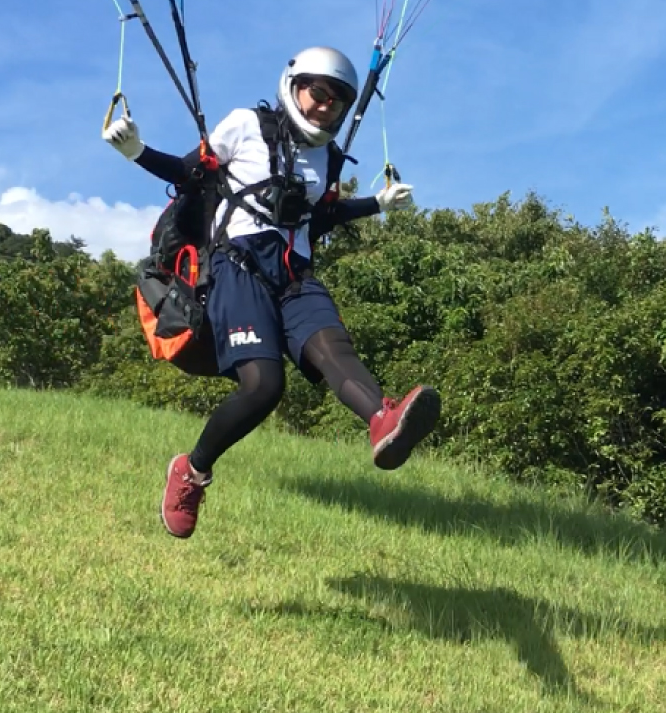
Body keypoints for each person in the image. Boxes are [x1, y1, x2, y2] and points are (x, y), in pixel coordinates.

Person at [102, 45, 441, 539]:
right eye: (318, 93)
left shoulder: (326, 156)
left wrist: (376, 204)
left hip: (294, 272)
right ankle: (191, 472)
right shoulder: (245, 124)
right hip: (236, 265)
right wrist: (137, 152)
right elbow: (192, 172)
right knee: (263, 387)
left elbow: (321, 215)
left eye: (336, 102)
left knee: (332, 349)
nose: (325, 106)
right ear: (295, 87)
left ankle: (383, 421)